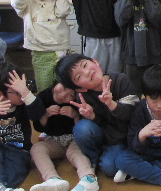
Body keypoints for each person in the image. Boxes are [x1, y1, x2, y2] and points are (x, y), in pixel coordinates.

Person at [56, 53, 139, 181]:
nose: (87, 72)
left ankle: (112, 156)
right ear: (80, 89)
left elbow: (131, 115)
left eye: (85, 65)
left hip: (126, 136)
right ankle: (93, 159)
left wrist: (111, 104)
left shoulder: (120, 80)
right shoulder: (83, 97)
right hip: (107, 137)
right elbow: (98, 125)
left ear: (95, 61)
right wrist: (92, 116)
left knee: (109, 168)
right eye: (79, 77)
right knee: (82, 128)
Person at [28, 80, 97, 191]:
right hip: (54, 139)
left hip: (73, 138)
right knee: (37, 149)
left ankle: (88, 177)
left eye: (70, 95)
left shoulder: (78, 101)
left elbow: (82, 128)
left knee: (75, 152)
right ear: (55, 83)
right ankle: (52, 179)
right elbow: (38, 127)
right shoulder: (44, 96)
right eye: (62, 88)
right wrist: (45, 115)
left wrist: (75, 115)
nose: (62, 95)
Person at [10, 0, 71, 92]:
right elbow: (15, 2)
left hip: (60, 48)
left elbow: (63, 11)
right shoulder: (28, 1)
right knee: (45, 86)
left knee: (63, 84)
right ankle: (46, 103)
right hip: (40, 50)